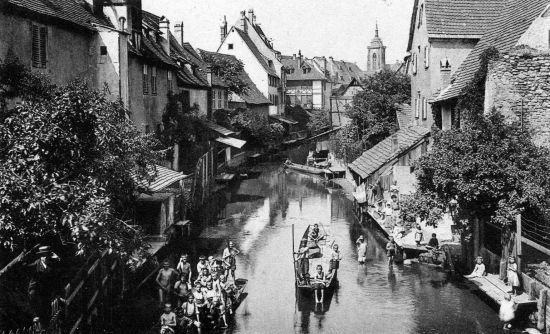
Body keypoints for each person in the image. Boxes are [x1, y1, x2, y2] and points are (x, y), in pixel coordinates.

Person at [25, 246, 60, 326]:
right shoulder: (36, 264)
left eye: (46, 255)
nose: (45, 257)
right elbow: (26, 267)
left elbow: (58, 268)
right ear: (40, 257)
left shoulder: (51, 264)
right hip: (35, 288)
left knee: (46, 305)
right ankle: (37, 316)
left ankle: (46, 323)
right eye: (43, 255)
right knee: (34, 297)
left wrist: (57, 258)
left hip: (45, 289)